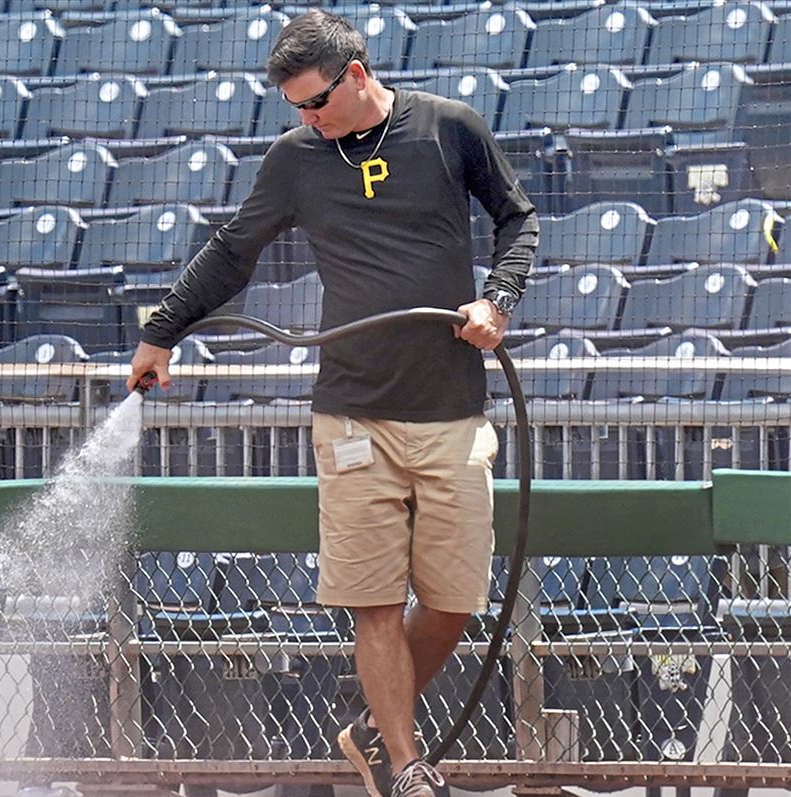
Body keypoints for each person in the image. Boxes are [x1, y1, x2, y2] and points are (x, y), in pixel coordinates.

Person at [126, 10, 538, 797]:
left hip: (452, 409)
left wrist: (498, 300)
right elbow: (231, 251)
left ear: (355, 73)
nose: (307, 120)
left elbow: (518, 220)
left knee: (454, 601)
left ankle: (371, 729)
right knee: (375, 601)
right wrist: (161, 331)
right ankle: (407, 764)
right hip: (351, 413)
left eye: (315, 102)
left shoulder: (449, 130)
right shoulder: (296, 160)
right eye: (294, 109)